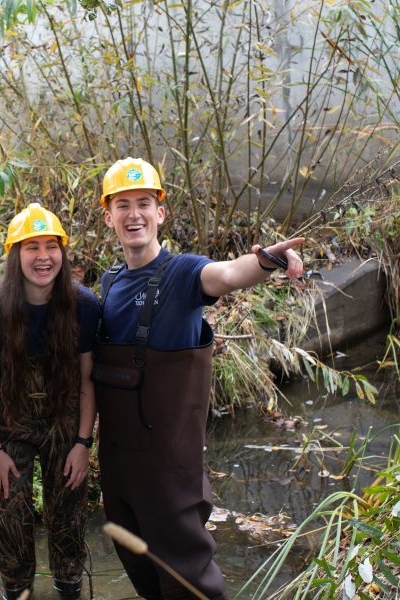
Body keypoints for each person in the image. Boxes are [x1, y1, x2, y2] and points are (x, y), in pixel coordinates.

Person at [92, 158, 305, 600]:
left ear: (160, 213)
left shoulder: (184, 274)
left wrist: (266, 261)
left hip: (169, 464)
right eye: (124, 205)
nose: (135, 214)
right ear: (108, 216)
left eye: (145, 203)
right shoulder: (109, 284)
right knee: (141, 566)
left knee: (189, 576)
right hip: (118, 465)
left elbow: (227, 274)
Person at [0, 203, 100, 600]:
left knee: (68, 518)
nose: (43, 257)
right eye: (31, 247)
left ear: (62, 251)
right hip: (12, 426)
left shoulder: (84, 305)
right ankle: (17, 592)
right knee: (12, 517)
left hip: (66, 424)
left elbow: (87, 380)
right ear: (15, 255)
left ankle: (69, 589)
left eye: (51, 246)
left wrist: (82, 443)